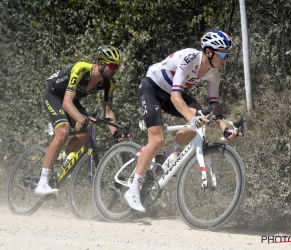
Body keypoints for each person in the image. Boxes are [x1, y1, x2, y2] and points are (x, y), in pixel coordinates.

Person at [125, 30, 238, 212]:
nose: (226, 59)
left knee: (200, 112)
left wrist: (224, 126)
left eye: (228, 54)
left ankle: (170, 155)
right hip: (152, 88)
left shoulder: (214, 74)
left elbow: (214, 107)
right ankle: (133, 190)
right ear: (209, 52)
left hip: (170, 93)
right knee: (157, 140)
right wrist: (191, 119)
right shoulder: (188, 57)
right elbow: (177, 97)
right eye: (223, 54)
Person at [35, 44, 125, 196]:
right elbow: (66, 103)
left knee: (85, 133)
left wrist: (116, 133)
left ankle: (60, 161)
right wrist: (82, 119)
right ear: (101, 63)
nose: (114, 70)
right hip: (54, 95)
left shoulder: (109, 83)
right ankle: (42, 182)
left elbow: (108, 112)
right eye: (112, 65)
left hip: (71, 100)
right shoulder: (82, 68)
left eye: (117, 66)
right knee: (63, 131)